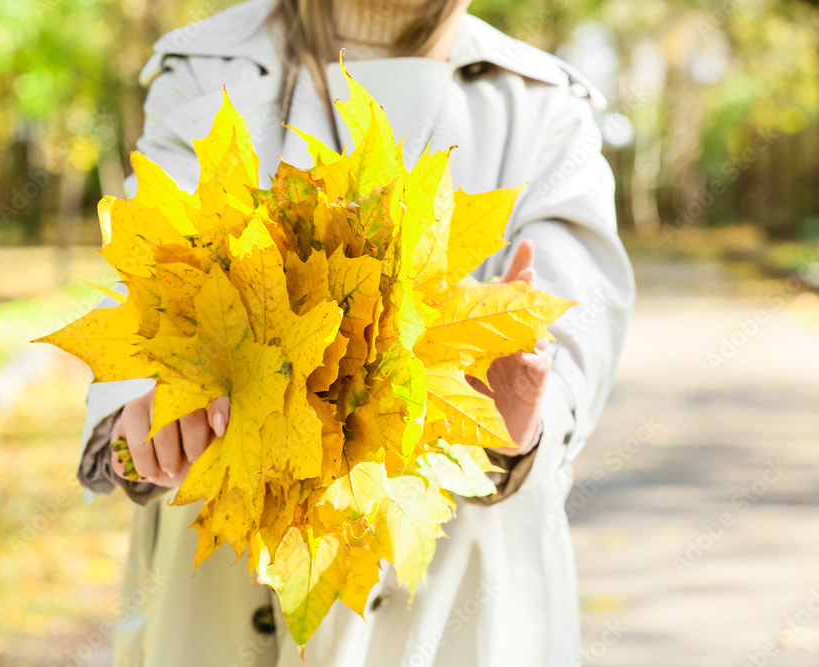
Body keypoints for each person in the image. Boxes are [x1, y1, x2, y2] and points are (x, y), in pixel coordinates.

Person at [75, 0, 635, 665]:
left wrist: (523, 419)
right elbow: (153, 266)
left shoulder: (541, 101)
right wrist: (145, 425)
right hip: (223, 602)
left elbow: (578, 312)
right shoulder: (208, 63)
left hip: (458, 603)